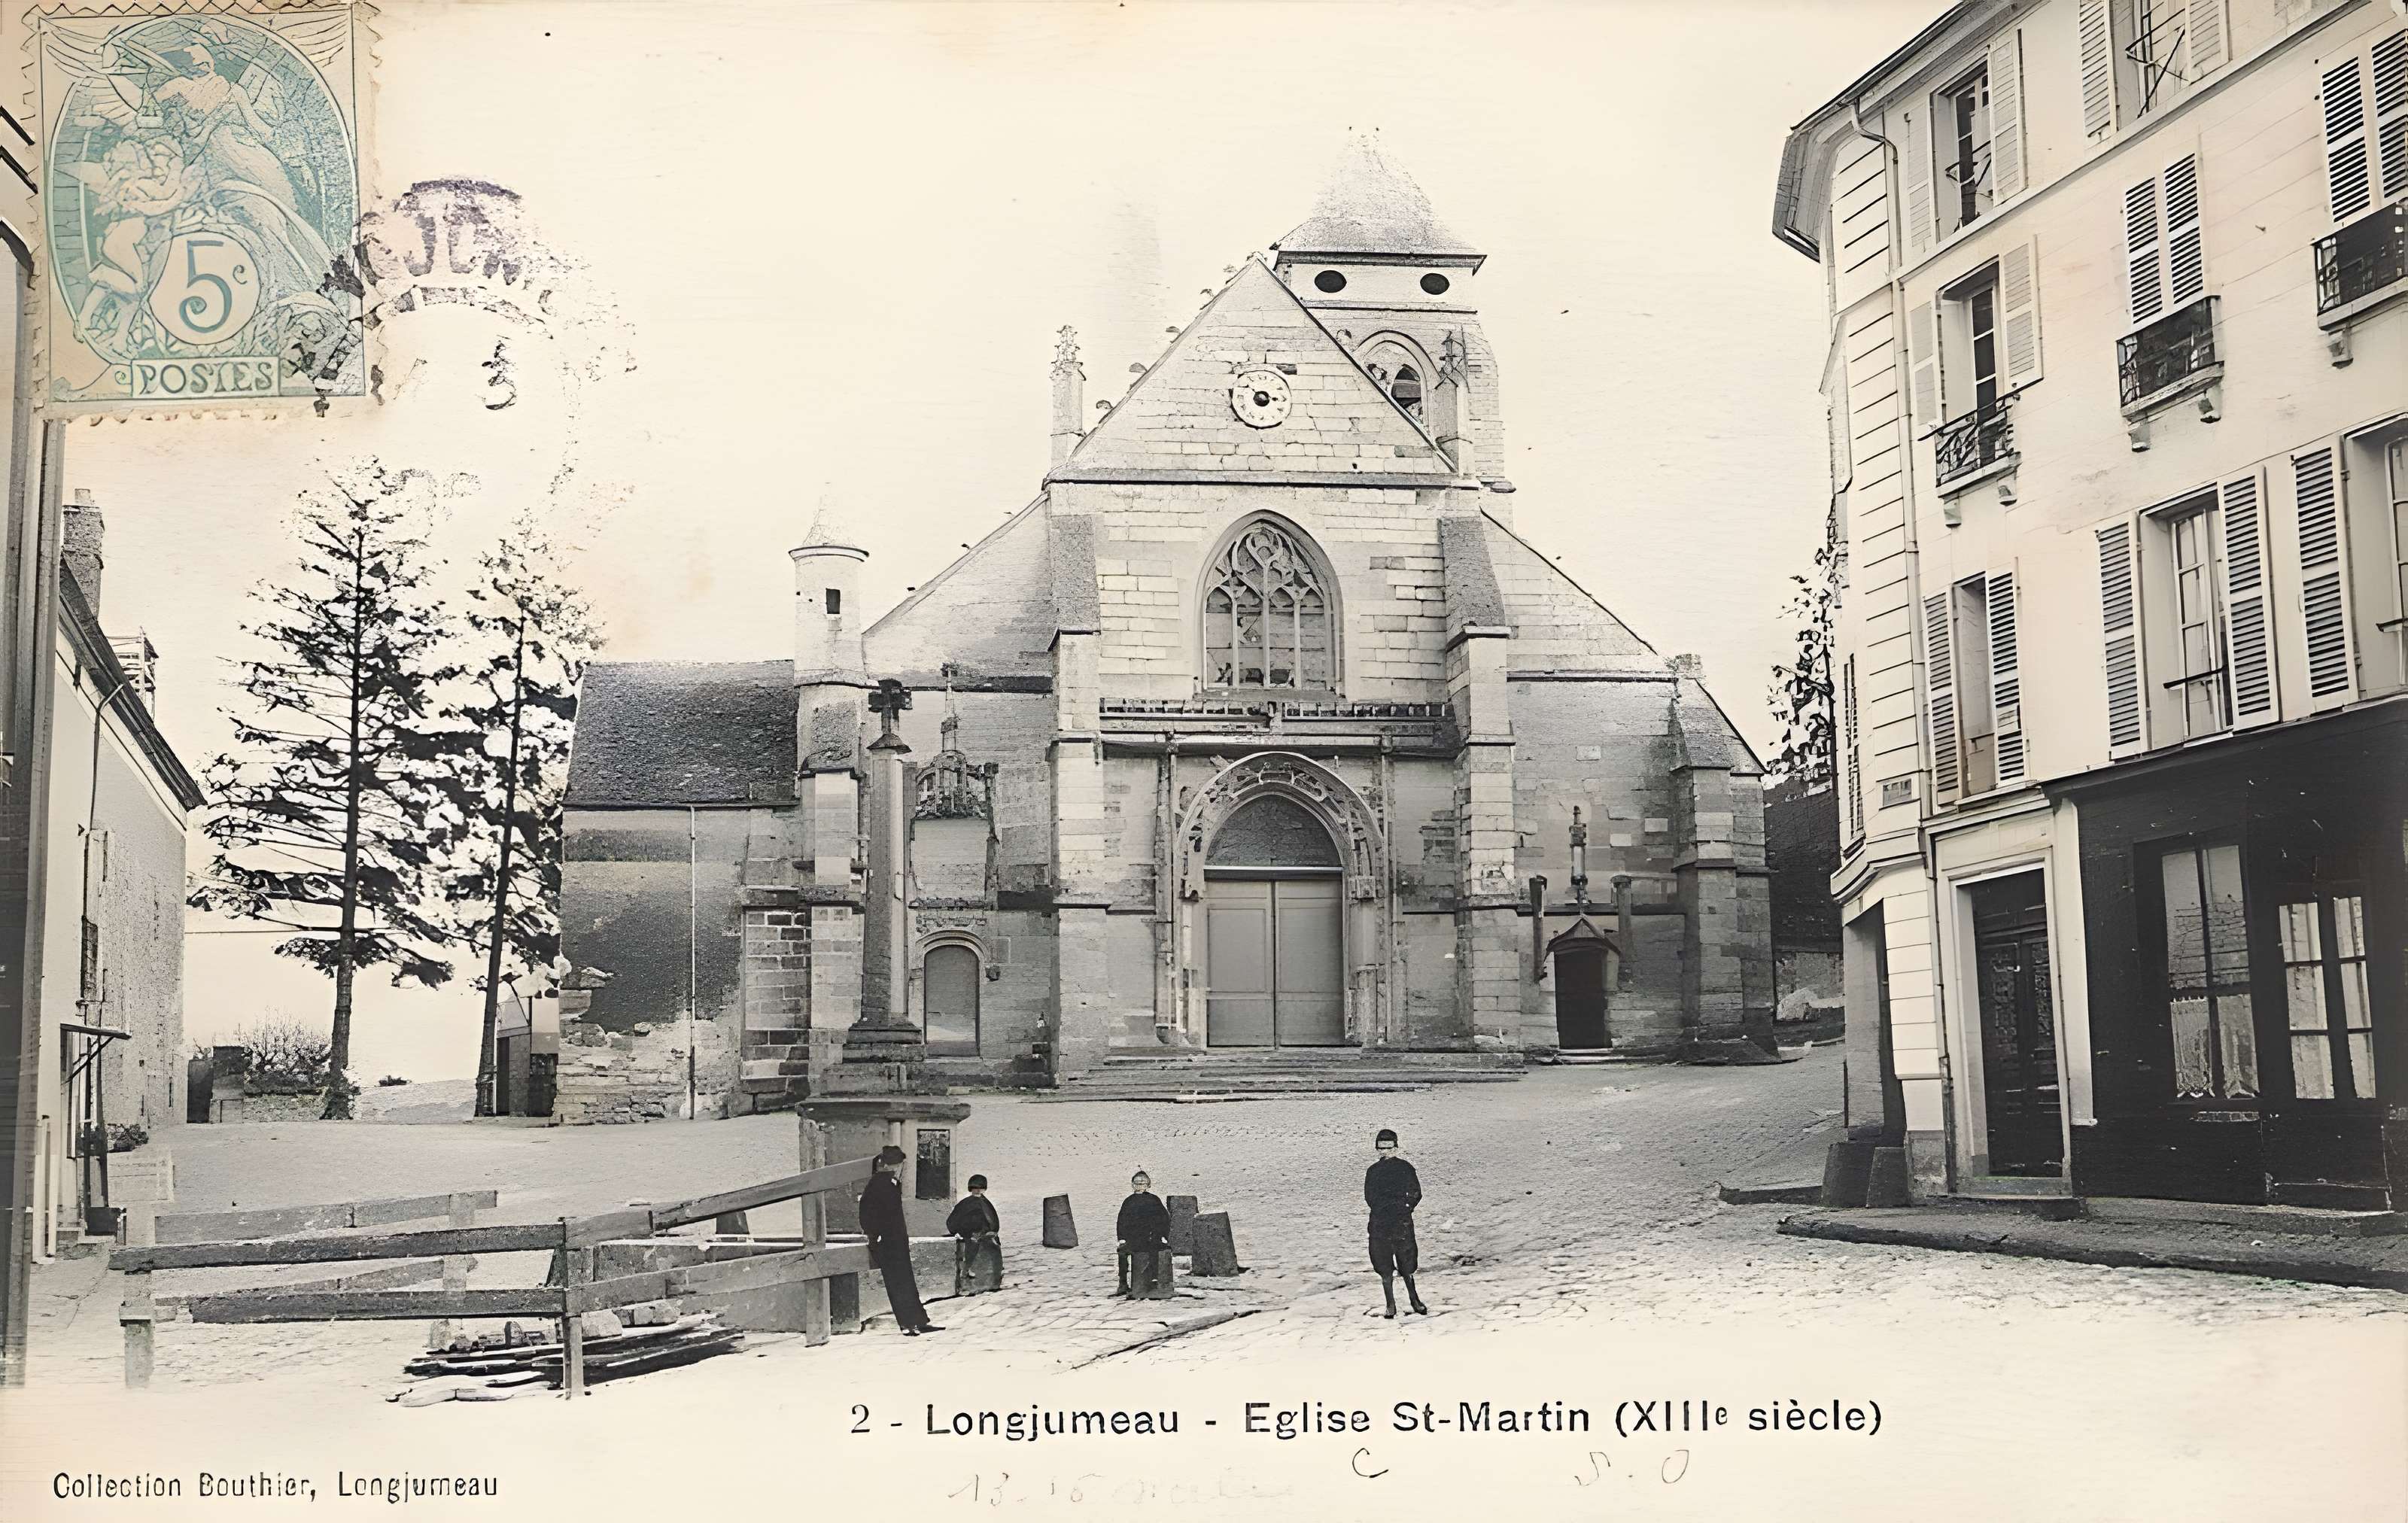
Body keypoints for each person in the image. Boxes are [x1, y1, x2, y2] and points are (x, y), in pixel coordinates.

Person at [861, 1145, 941, 1335]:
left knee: (906, 1281)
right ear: (894, 1164)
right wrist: (875, 1235)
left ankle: (918, 1321)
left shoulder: (890, 1183)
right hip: (887, 1242)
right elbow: (866, 1212)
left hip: (896, 1241)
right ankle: (907, 1324)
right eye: (900, 1164)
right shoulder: (879, 1183)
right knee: (897, 1282)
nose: (902, 1168)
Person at [1365, 1128, 1427, 1318]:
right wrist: (1382, 1209)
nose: (1384, 1151)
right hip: (1380, 1223)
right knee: (1384, 1266)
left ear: (1396, 1146)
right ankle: (1390, 1304)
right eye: (1381, 1148)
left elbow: (1415, 1192)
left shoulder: (1405, 1168)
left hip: (1402, 1223)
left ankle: (1414, 1300)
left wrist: (1405, 1207)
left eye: (1388, 1147)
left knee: (1407, 1265)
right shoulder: (1373, 1171)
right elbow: (1370, 1196)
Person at [1115, 1170, 1171, 1297]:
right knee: (1122, 1253)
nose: (1140, 1186)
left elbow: (1164, 1219)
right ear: (1133, 1185)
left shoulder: (1154, 1200)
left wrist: (1163, 1235)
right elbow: (1122, 1220)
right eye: (1137, 1184)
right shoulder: (1128, 1201)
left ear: (1148, 1185)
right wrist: (1122, 1238)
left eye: (1143, 1183)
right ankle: (1123, 1282)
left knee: (1155, 1252)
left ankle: (1154, 1279)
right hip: (1133, 1240)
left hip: (1152, 1238)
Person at [947, 1174, 1002, 1294]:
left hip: (987, 1235)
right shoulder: (966, 1204)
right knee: (972, 1251)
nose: (977, 1190)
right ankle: (967, 1275)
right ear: (971, 1189)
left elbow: (992, 1219)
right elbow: (953, 1220)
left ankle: (993, 1283)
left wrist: (993, 1231)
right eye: (975, 1188)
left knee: (994, 1255)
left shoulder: (986, 1203)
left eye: (980, 1188)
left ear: (984, 1189)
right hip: (971, 1235)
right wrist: (958, 1232)